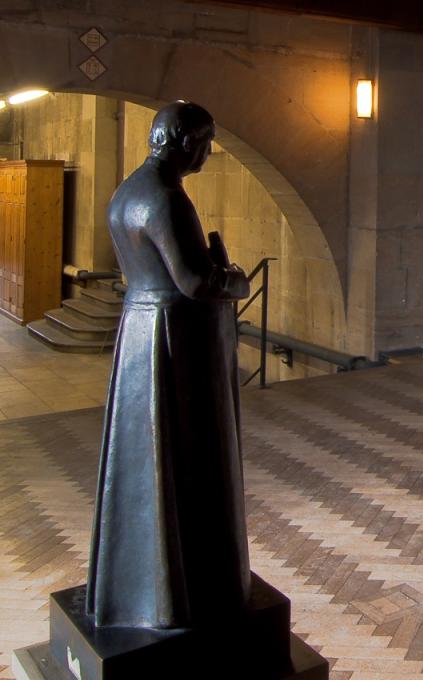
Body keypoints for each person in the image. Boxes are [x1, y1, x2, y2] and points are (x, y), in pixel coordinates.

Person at [87, 100, 253, 629]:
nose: (207, 153)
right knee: (185, 458)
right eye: (205, 143)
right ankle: (184, 590)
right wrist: (238, 281)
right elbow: (196, 282)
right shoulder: (166, 198)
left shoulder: (127, 191)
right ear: (186, 142)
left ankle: (145, 588)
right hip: (175, 338)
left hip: (140, 327)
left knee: (144, 459)